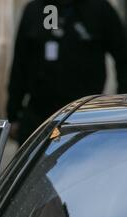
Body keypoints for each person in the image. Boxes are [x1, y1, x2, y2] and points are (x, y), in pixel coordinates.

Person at [7, 0, 127, 144]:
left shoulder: (100, 9)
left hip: (85, 118)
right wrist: (13, 114)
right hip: (40, 116)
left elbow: (123, 59)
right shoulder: (35, 10)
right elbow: (20, 65)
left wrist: (121, 110)